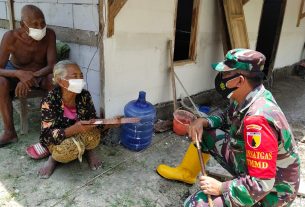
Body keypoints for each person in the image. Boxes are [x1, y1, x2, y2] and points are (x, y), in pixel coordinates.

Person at [158, 49, 300, 206]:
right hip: (253, 171)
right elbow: (226, 118)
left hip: (271, 195)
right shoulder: (246, 96)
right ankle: (186, 173)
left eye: (225, 74)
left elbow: (261, 184)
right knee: (206, 132)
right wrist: (203, 121)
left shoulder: (258, 121)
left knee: (197, 203)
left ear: (239, 81)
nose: (221, 78)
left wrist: (221, 187)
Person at [0, 4, 56, 147]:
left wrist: (29, 78)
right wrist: (18, 74)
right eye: (34, 24)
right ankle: (9, 132)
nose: (40, 27)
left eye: (42, 23)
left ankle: (48, 129)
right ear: (22, 25)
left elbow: (52, 66)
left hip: (40, 74)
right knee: (1, 82)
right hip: (15, 72)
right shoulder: (10, 37)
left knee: (52, 80)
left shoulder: (49, 34)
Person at [38, 60, 102, 179]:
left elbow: (92, 120)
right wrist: (73, 129)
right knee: (67, 150)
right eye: (75, 76)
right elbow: (46, 135)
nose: (80, 80)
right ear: (60, 80)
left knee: (95, 135)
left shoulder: (85, 95)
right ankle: (53, 158)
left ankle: (88, 151)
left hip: (80, 133)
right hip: (61, 139)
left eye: (81, 76)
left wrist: (110, 123)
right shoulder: (50, 100)